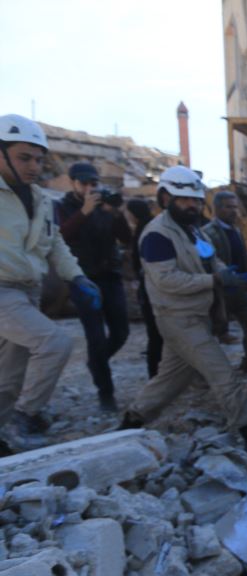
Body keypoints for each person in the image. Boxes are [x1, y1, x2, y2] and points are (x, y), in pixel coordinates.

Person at [120, 166, 247, 459]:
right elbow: (166, 280)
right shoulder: (157, 235)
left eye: (195, 200)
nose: (191, 205)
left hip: (198, 315)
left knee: (170, 381)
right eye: (184, 200)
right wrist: (213, 280)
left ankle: (131, 421)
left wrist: (225, 273)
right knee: (222, 374)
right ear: (165, 198)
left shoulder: (193, 230)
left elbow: (211, 258)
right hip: (178, 318)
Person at [0, 114, 99, 453]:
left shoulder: (40, 197)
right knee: (55, 343)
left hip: (28, 291)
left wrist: (77, 276)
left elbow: (54, 241)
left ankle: (4, 440)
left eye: (38, 159)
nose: (34, 166)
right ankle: (24, 417)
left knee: (9, 375)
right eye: (24, 158)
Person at [56, 162, 132, 412]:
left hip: (110, 275)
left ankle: (96, 362)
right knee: (96, 337)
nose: (90, 188)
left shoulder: (104, 206)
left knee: (121, 332)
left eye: (94, 183)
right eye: (84, 183)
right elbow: (61, 237)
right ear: (73, 183)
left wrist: (117, 214)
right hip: (82, 279)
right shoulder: (62, 206)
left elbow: (126, 238)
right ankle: (106, 393)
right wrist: (84, 212)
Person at [202, 191, 247, 373]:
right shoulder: (209, 233)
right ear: (217, 208)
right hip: (219, 290)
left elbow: (242, 258)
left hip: (237, 289)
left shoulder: (235, 230)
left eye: (235, 207)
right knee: (211, 331)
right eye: (228, 207)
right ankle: (207, 371)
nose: (234, 211)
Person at [127, 199, 162, 378]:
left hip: (151, 288)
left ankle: (155, 375)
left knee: (155, 335)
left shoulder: (145, 230)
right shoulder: (152, 226)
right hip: (154, 287)